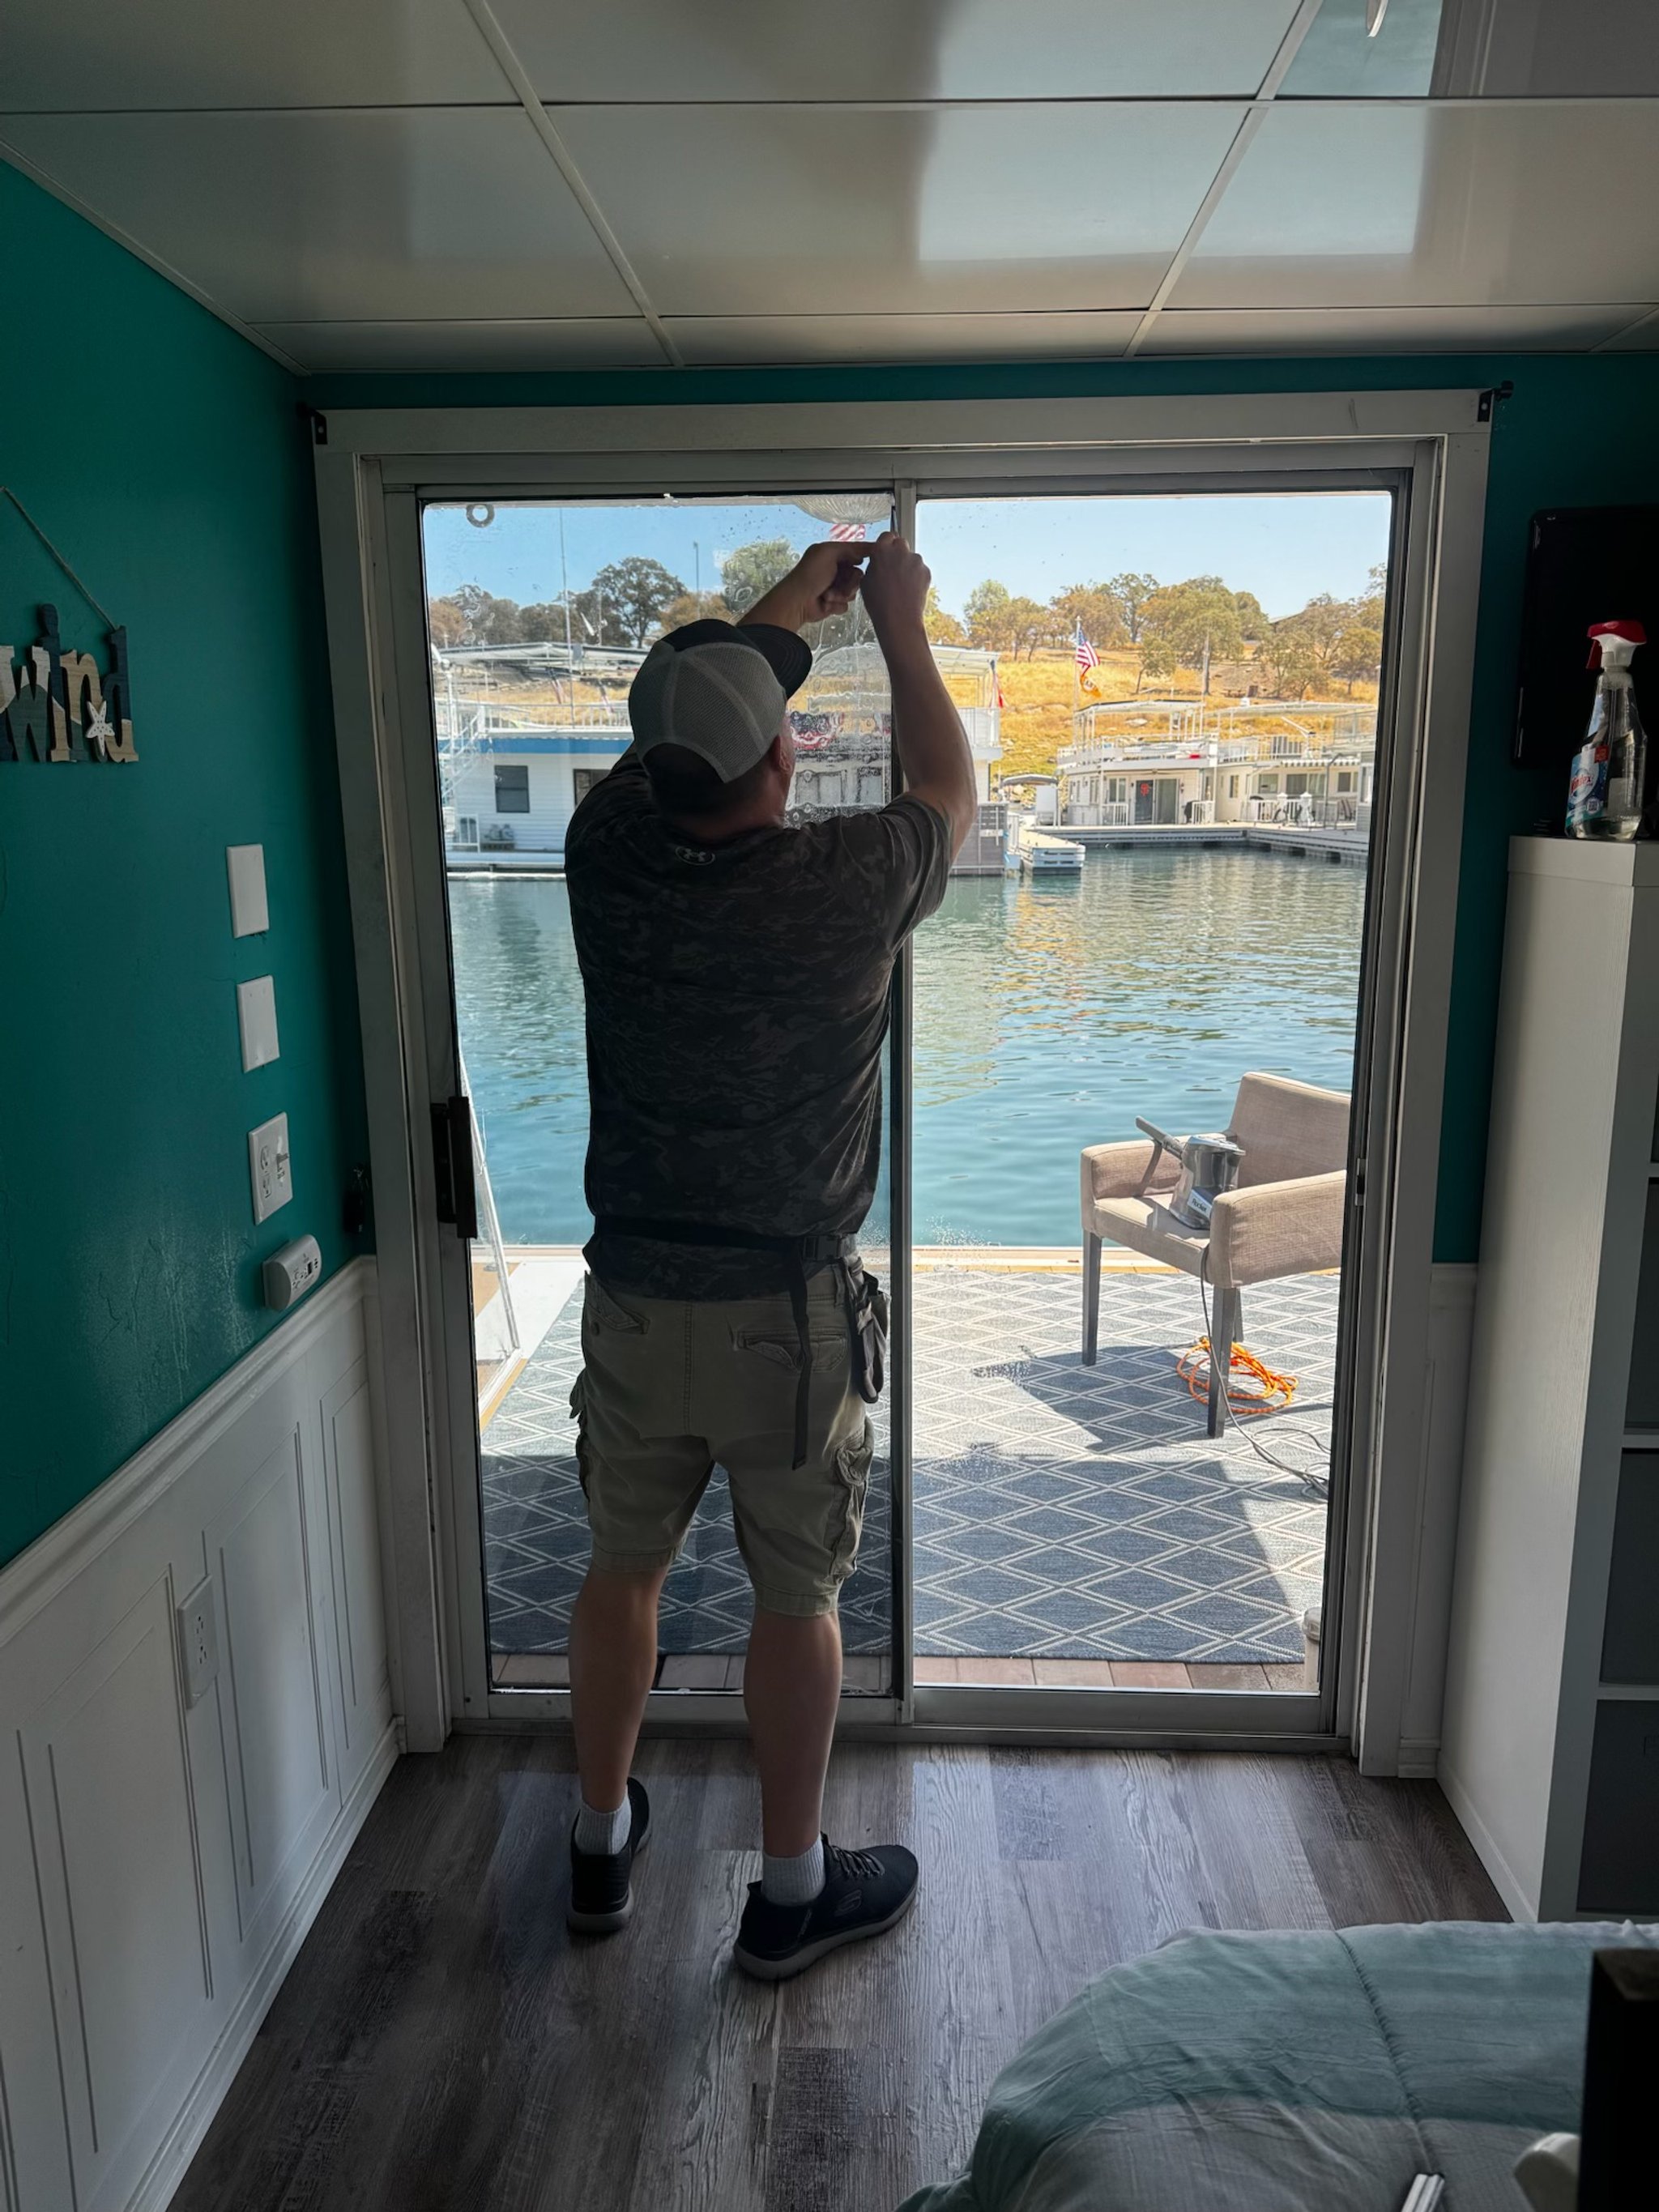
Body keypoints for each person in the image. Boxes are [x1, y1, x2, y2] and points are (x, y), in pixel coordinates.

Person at [560, 532, 974, 1980]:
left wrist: (787, 613)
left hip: (631, 1296)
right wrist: (896, 624)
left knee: (621, 1574)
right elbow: (951, 788)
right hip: (786, 1320)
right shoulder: (845, 884)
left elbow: (689, 723)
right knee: (796, 1600)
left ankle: (598, 1843)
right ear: (788, 760)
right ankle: (791, 1892)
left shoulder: (604, 848)